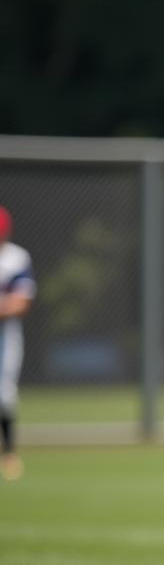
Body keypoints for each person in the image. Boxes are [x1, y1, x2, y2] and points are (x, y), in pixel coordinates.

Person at [0, 206, 36, 481]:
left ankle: (9, 453)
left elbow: (22, 302)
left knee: (4, 393)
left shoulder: (16, 258)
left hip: (5, 336)